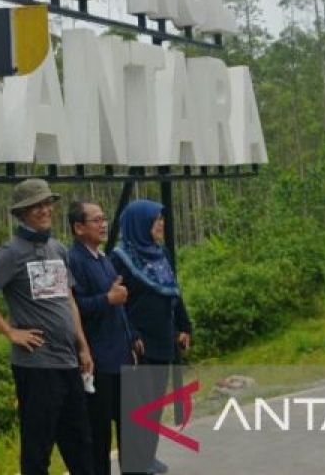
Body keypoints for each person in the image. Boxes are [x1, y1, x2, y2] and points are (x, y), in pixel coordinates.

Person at [0, 178, 95, 475]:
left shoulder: (58, 249)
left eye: (47, 203)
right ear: (22, 212)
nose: (44, 209)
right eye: (36, 205)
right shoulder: (12, 252)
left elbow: (68, 300)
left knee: (80, 445)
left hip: (67, 361)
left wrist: (83, 346)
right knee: (38, 450)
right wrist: (10, 331)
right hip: (36, 367)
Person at [111, 199, 191, 475]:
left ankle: (148, 456)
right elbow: (117, 304)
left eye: (161, 219)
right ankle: (135, 463)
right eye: (155, 220)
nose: (161, 224)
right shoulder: (120, 258)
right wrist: (131, 334)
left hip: (164, 339)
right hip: (139, 344)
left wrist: (184, 326)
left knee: (154, 404)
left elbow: (173, 292)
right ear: (140, 224)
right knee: (137, 407)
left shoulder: (160, 253)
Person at [67, 200, 133, 475]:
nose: (103, 224)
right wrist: (107, 298)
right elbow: (75, 307)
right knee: (100, 434)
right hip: (99, 361)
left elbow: (115, 304)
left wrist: (132, 337)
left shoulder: (102, 257)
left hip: (120, 355)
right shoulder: (75, 261)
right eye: (96, 220)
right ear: (79, 227)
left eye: (104, 218)